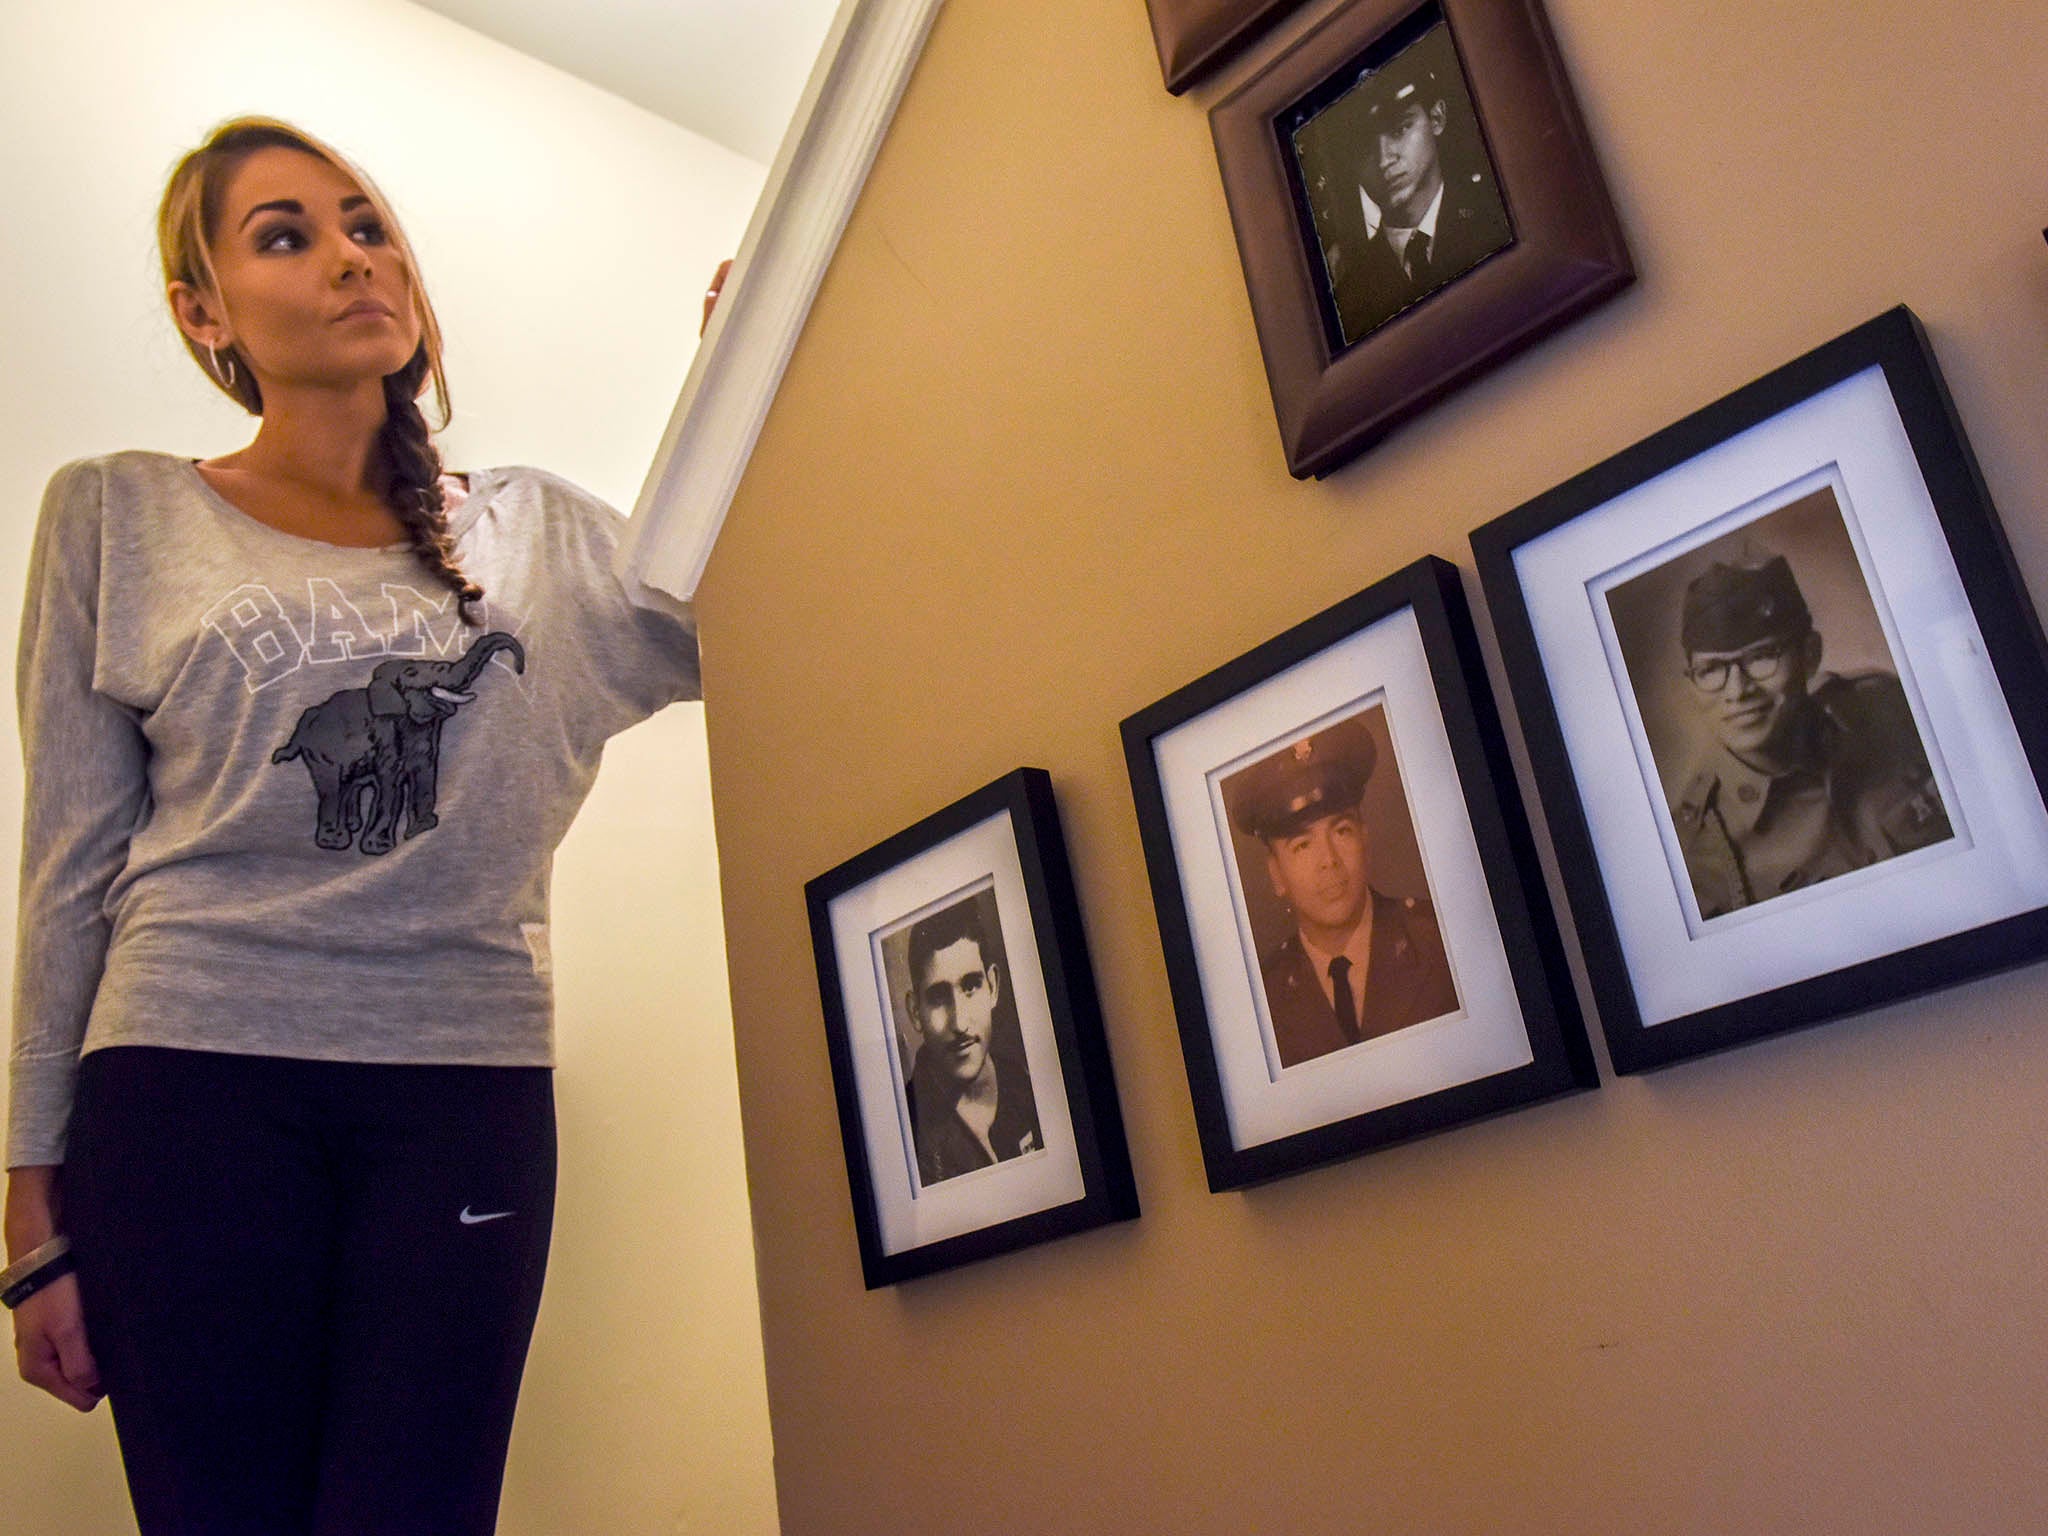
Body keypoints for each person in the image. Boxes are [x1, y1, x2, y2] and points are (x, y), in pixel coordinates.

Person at [2, 118, 701, 1534]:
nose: (349, 257)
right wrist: (29, 1221)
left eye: (367, 223)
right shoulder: (115, 515)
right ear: (206, 313)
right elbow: (67, 876)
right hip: (188, 1094)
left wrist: (760, 380)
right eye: (286, 235)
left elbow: (786, 608)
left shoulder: (543, 539)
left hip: (464, 1093)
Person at [1669, 554, 1953, 917]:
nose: (1737, 691)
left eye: (1761, 656)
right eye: (1711, 670)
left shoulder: (1890, 708)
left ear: (1810, 655)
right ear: (1691, 684)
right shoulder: (1695, 859)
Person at [1230, 716, 1459, 1071]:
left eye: (1341, 831)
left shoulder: (1443, 941)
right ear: (1277, 874)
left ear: (1364, 839)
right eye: (1303, 845)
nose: (1329, 861)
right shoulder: (1260, 1002)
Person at [1323, 47, 1512, 344]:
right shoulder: (1350, 298)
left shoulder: (1500, 219)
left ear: (1437, 118)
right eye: (1364, 150)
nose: (1384, 158)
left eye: (1399, 129)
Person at [900, 901, 1039, 1184]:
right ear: (916, 1012)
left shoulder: (1027, 1082)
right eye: (938, 997)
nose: (960, 1023)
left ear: (993, 987)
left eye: (971, 986)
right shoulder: (904, 1133)